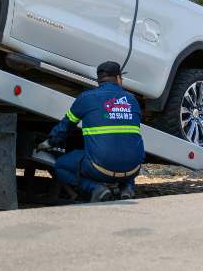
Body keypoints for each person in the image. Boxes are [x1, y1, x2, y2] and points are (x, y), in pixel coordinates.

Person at [37, 61, 145, 202]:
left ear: (98, 80)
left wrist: (49, 142)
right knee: (126, 149)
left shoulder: (86, 98)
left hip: (100, 169)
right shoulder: (132, 100)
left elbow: (65, 127)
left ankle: (95, 188)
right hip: (134, 168)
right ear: (119, 78)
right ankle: (127, 188)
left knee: (61, 166)